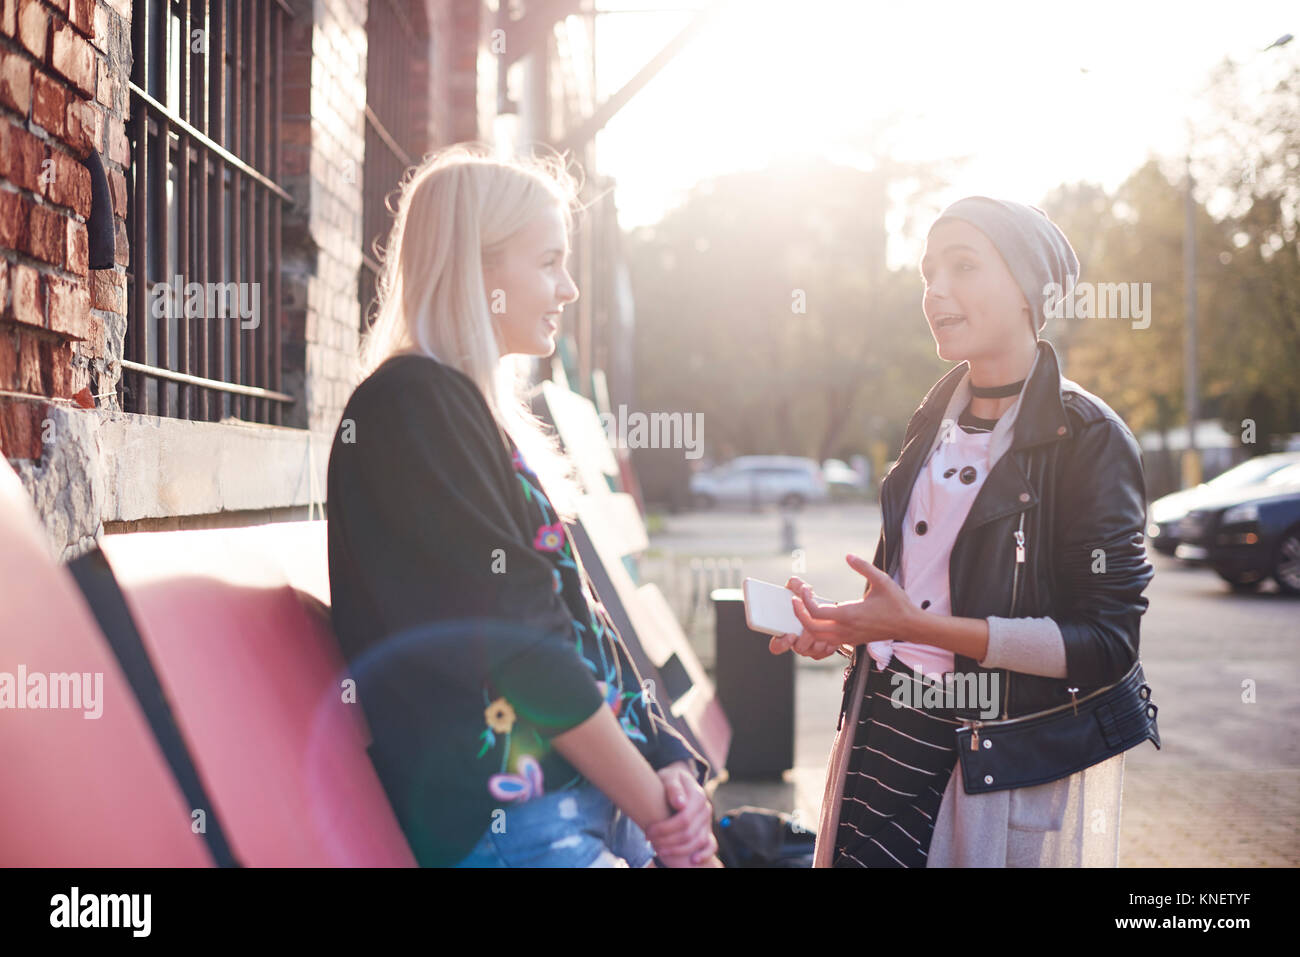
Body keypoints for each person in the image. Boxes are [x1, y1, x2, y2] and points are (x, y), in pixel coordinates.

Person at [326, 144, 719, 867]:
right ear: (479, 268)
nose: (567, 289)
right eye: (548, 262)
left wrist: (666, 756)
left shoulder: (470, 410)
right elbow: (520, 641)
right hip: (515, 818)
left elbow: (579, 619)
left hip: (591, 796)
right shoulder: (411, 406)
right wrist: (661, 816)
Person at [771, 196, 1155, 867]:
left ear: (1032, 287)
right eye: (927, 272)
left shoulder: (1090, 440)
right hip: (881, 728)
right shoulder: (930, 419)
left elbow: (1106, 643)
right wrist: (842, 627)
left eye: (963, 265)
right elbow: (910, 605)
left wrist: (917, 629)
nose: (935, 290)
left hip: (983, 754)